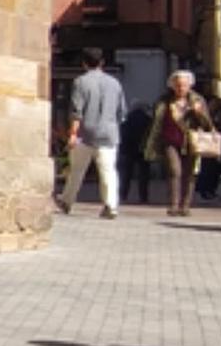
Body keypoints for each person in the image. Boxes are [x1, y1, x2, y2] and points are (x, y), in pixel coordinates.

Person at [58, 48, 126, 218]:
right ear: (102, 62)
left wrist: (73, 134)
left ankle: (67, 200)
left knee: (77, 170)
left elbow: (76, 111)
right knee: (108, 170)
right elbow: (121, 112)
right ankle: (111, 205)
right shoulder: (115, 83)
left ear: (84, 63)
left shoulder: (80, 82)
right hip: (109, 134)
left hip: (84, 134)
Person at [144, 70, 214, 217]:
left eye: (183, 85)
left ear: (189, 85)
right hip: (170, 141)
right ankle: (173, 205)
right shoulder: (164, 101)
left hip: (192, 142)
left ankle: (185, 205)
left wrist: (198, 113)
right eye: (177, 85)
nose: (180, 88)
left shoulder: (198, 100)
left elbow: (207, 125)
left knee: (189, 173)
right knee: (175, 171)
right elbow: (156, 122)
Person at [119, 103, 154, 206]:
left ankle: (123, 195)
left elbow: (123, 133)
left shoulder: (127, 119)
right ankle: (143, 196)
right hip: (143, 149)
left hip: (129, 148)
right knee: (144, 174)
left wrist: (123, 148)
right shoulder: (148, 120)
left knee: (126, 174)